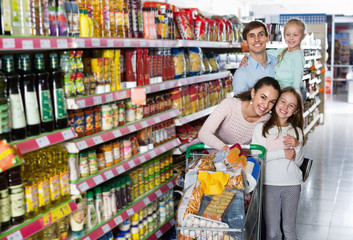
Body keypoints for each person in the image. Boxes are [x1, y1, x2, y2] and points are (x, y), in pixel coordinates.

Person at [251, 87, 305, 240]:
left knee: (289, 230)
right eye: (283, 101)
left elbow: (299, 161)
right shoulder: (261, 129)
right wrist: (282, 153)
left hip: (292, 184)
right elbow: (257, 156)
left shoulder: (296, 131)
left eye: (291, 105)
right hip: (269, 185)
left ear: (295, 111)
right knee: (273, 232)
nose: (285, 107)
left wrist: (297, 145)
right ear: (275, 103)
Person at [198, 77, 281, 151]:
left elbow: (255, 149)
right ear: (253, 93)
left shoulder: (266, 119)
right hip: (213, 157)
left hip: (239, 163)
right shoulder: (230, 104)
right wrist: (227, 150)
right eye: (263, 97)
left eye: (272, 102)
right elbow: (203, 133)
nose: (266, 105)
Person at [241, 19, 306, 91]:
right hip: (278, 89)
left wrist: (294, 97)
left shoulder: (298, 56)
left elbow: (297, 80)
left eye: (295, 35)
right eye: (288, 34)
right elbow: (264, 52)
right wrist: (247, 55)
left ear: (303, 36)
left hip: (287, 91)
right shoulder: (283, 51)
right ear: (283, 35)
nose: (291, 38)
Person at [233, 21, 278, 95]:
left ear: (267, 38)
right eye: (251, 36)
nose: (257, 40)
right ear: (245, 42)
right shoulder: (241, 74)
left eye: (261, 35)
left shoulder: (279, 62)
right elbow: (240, 105)